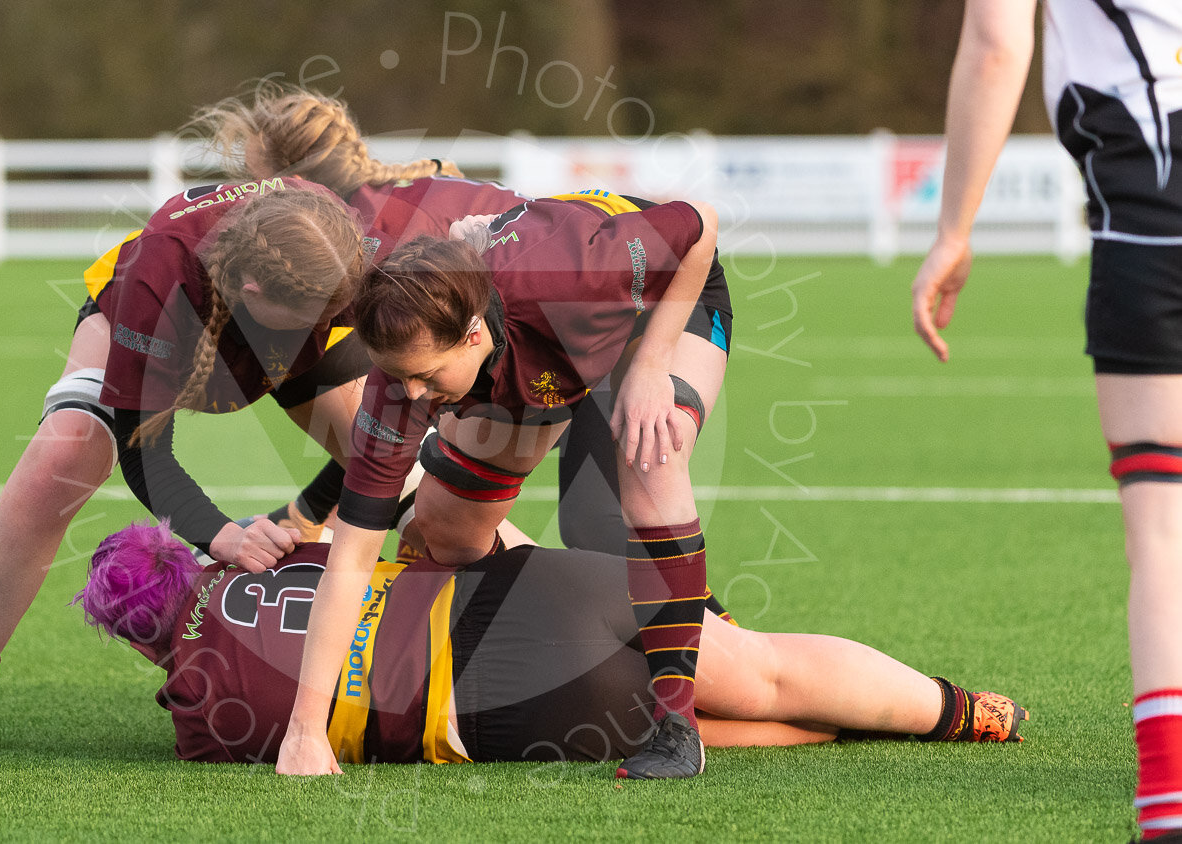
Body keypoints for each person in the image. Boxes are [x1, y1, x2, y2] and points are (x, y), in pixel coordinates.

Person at [0, 180, 368, 753]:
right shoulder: (159, 274)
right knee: (63, 457)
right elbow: (144, 449)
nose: (317, 326)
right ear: (250, 286)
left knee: (392, 454)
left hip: (295, 303)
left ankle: (459, 611)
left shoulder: (343, 255)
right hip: (148, 318)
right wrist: (224, 537)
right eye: (308, 317)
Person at [279, 191, 731, 780]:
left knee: (651, 454)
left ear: (469, 335)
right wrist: (306, 731)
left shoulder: (571, 272)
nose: (412, 396)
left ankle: (678, 725)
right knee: (443, 526)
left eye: (425, 376)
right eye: (398, 377)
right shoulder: (399, 377)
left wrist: (652, 363)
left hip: (657, 303)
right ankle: (549, 613)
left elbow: (700, 225)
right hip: (537, 350)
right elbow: (352, 554)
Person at [78, 522, 1027, 764]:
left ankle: (850, 732)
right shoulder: (273, 551)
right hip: (534, 591)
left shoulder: (195, 715)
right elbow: (409, 544)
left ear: (134, 639)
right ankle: (958, 711)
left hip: (515, 706)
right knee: (767, 665)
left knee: (703, 726)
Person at [908, 2, 1182, 838]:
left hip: (1151, 229)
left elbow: (997, 45)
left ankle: (1169, 801)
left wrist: (953, 228)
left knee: (1163, 535)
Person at [189, 84, 528, 534]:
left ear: (298, 179)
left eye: (258, 181)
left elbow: (394, 417)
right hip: (555, 339)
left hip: (600, 334)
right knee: (434, 514)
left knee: (449, 524)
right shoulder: (370, 208)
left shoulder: (371, 243)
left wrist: (309, 512)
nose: (249, 197)